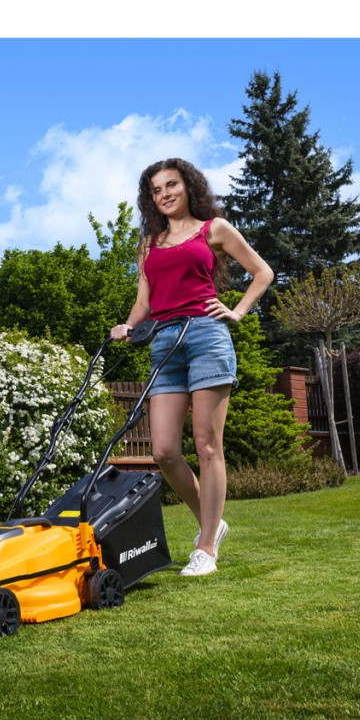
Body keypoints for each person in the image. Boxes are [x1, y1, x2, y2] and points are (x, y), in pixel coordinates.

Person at [110, 158, 274, 576]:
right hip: (164, 342)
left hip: (206, 337)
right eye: (156, 190)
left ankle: (205, 549)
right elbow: (145, 302)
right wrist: (127, 325)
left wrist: (237, 311)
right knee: (164, 451)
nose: (164, 194)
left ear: (188, 186)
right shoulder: (149, 243)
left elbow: (262, 272)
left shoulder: (213, 229)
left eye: (171, 185)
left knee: (207, 444)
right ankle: (212, 523)